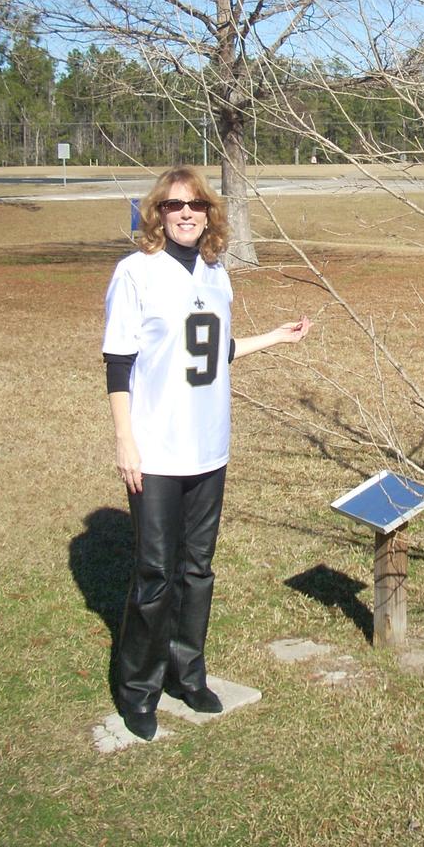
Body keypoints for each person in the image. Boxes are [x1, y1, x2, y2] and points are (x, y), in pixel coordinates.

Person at [103, 166, 310, 741]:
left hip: (208, 446)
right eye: (174, 206)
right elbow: (119, 362)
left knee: (197, 570)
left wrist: (275, 337)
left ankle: (187, 672)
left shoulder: (217, 275)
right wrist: (126, 441)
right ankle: (139, 690)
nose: (185, 214)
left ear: (209, 212)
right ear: (157, 213)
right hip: (157, 450)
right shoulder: (135, 273)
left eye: (195, 204)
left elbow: (214, 352)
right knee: (154, 573)